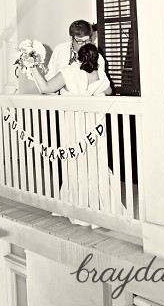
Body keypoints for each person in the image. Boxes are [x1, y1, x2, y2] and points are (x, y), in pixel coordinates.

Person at [31, 43, 120, 225]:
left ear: (77, 56)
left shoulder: (69, 71)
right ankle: (101, 205)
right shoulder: (98, 73)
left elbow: (45, 88)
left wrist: (32, 68)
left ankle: (77, 205)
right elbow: (109, 91)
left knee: (76, 161)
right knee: (95, 162)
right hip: (94, 125)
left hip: (74, 123)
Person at [45, 19, 108, 93]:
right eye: (80, 41)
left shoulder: (97, 57)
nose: (84, 45)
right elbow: (50, 75)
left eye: (87, 40)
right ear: (72, 38)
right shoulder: (59, 49)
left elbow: (100, 86)